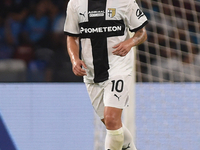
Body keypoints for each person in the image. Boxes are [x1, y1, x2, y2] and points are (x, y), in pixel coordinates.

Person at [64, 0, 148, 149]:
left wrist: (129, 43)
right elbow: (72, 36)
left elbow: (141, 33)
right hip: (91, 73)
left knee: (111, 119)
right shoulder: (75, 3)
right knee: (114, 126)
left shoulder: (125, 1)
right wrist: (74, 59)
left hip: (118, 67)